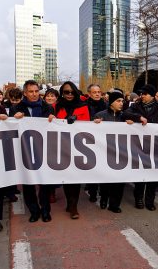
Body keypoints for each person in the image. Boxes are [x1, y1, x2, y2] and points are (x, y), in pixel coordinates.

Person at [6, 80, 55, 222]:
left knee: (45, 182)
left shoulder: (48, 108)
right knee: (28, 183)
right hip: (25, 150)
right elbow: (10, 127)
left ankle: (45, 210)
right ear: (25, 93)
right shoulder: (17, 108)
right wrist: (13, 119)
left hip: (43, 150)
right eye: (31, 92)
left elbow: (53, 129)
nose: (34, 94)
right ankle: (34, 211)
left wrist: (53, 120)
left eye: (36, 91)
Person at [123, 84, 158, 211]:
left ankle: (150, 200)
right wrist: (138, 117)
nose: (142, 96)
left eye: (144, 94)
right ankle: (138, 199)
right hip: (140, 145)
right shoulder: (136, 105)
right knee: (140, 174)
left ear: (151, 95)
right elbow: (125, 113)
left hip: (156, 146)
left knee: (153, 175)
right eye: (141, 94)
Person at [52, 81, 90, 219]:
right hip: (62, 146)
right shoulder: (56, 106)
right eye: (66, 92)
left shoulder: (84, 106)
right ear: (62, 92)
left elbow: (88, 125)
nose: (69, 94)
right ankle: (70, 203)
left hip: (79, 146)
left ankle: (74, 206)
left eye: (72, 92)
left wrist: (77, 121)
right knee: (67, 177)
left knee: (76, 177)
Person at [94, 89, 131, 213]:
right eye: (118, 101)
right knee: (105, 179)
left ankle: (114, 204)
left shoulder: (125, 116)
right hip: (104, 153)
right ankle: (104, 198)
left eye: (122, 101)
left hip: (121, 154)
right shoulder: (101, 115)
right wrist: (95, 124)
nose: (121, 103)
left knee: (119, 181)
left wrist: (132, 124)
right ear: (111, 103)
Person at [86, 84, 108, 202]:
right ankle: (92, 192)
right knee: (92, 167)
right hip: (90, 140)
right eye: (94, 92)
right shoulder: (85, 106)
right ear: (89, 94)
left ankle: (102, 191)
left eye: (99, 91)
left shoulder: (106, 105)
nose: (97, 94)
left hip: (103, 141)